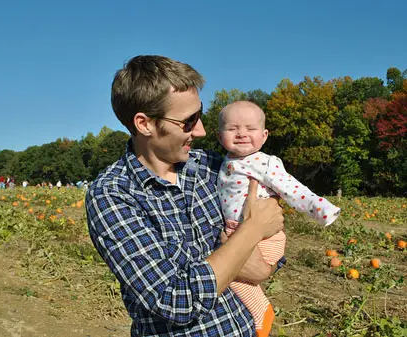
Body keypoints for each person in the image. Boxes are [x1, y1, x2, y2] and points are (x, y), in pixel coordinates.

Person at [85, 55, 284, 336]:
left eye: (199, 115)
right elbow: (175, 300)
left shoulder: (212, 167)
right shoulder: (112, 194)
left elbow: (269, 210)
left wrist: (263, 265)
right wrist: (250, 234)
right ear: (145, 124)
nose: (201, 130)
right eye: (188, 121)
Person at [217, 101, 341, 336]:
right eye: (232, 128)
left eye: (250, 129)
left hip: (265, 238)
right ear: (219, 135)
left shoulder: (264, 162)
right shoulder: (224, 162)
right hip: (239, 231)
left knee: (231, 278)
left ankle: (261, 315)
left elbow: (292, 189)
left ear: (264, 136)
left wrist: (322, 209)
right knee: (232, 279)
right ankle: (254, 318)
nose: (242, 133)